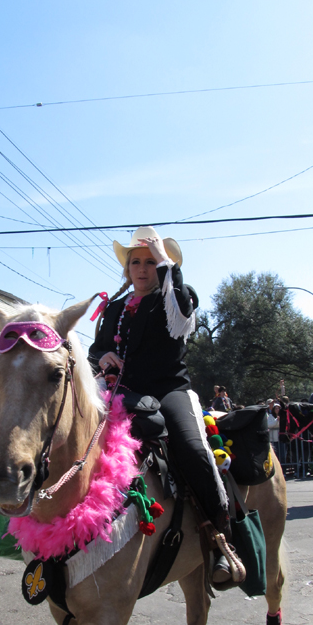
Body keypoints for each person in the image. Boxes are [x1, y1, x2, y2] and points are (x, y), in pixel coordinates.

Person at [89, 226, 234, 588]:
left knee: (191, 448)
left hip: (169, 390)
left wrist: (168, 262)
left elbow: (183, 315)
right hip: (121, 391)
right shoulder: (116, 308)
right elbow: (96, 350)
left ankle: (221, 539)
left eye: (150, 262)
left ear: (163, 265)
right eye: (135, 262)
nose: (142, 268)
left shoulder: (175, 295)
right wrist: (102, 354)